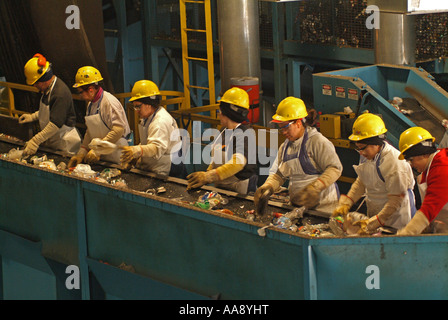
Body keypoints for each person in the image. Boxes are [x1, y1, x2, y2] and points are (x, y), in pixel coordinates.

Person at [254, 96, 342, 216]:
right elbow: (279, 175)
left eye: (286, 127)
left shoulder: (317, 141)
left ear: (298, 123)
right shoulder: (285, 147)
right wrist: (268, 187)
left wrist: (315, 187)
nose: (283, 132)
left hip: (324, 210)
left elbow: (335, 168)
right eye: (281, 128)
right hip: (299, 209)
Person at [332, 113, 416, 233]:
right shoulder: (367, 154)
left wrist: (373, 223)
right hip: (377, 218)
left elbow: (396, 201)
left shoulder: (394, 162)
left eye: (362, 148)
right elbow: (362, 181)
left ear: (376, 142)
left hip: (396, 221)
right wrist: (347, 202)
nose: (360, 152)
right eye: (358, 148)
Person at [186, 87, 258, 194]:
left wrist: (208, 177)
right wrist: (205, 175)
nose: (218, 114)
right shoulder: (223, 131)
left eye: (220, 111)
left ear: (227, 113)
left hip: (241, 190)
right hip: (222, 187)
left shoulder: (245, 134)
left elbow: (238, 163)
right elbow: (216, 159)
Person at [19, 53, 81, 157]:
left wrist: (35, 141)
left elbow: (55, 124)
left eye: (36, 83)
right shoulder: (48, 89)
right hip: (54, 140)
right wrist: (33, 116)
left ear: (43, 79)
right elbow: (50, 111)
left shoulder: (59, 93)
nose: (35, 86)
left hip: (65, 144)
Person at [68, 66, 131, 167]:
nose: (80, 96)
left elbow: (118, 130)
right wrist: (82, 152)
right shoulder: (91, 104)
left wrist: (98, 150)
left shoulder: (109, 103)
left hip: (116, 155)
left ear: (91, 89)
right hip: (102, 156)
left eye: (80, 92)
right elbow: (90, 131)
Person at [120, 80, 185, 177]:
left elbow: (156, 148)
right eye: (135, 108)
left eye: (138, 107)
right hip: (157, 165)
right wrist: (135, 158)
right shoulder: (147, 118)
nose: (136, 111)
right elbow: (148, 141)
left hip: (170, 169)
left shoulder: (160, 121)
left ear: (149, 103)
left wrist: (137, 150)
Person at [396, 127, 448, 235]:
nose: (411, 164)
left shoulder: (441, 167)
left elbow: (430, 207)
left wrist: (406, 234)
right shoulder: (429, 169)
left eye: (411, 160)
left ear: (423, 154)